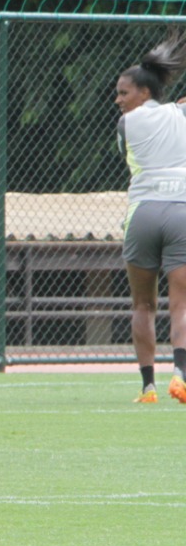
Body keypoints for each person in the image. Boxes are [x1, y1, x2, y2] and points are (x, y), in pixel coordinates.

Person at [113, 35, 186, 404]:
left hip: (143, 211)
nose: (118, 100)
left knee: (142, 305)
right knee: (182, 303)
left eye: (123, 93)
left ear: (143, 92)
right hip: (182, 210)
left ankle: (148, 387)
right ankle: (181, 375)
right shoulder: (181, 113)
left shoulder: (127, 125)